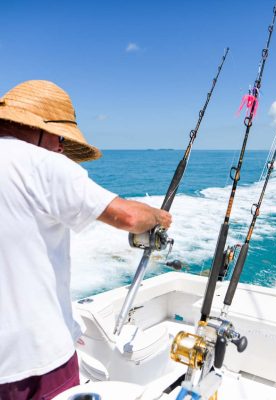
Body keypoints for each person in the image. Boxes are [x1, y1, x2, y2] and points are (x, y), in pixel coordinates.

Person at [0, 80, 172, 400]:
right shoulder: (43, 163)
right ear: (40, 128)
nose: (61, 148)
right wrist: (159, 217)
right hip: (37, 361)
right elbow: (128, 217)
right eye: (61, 138)